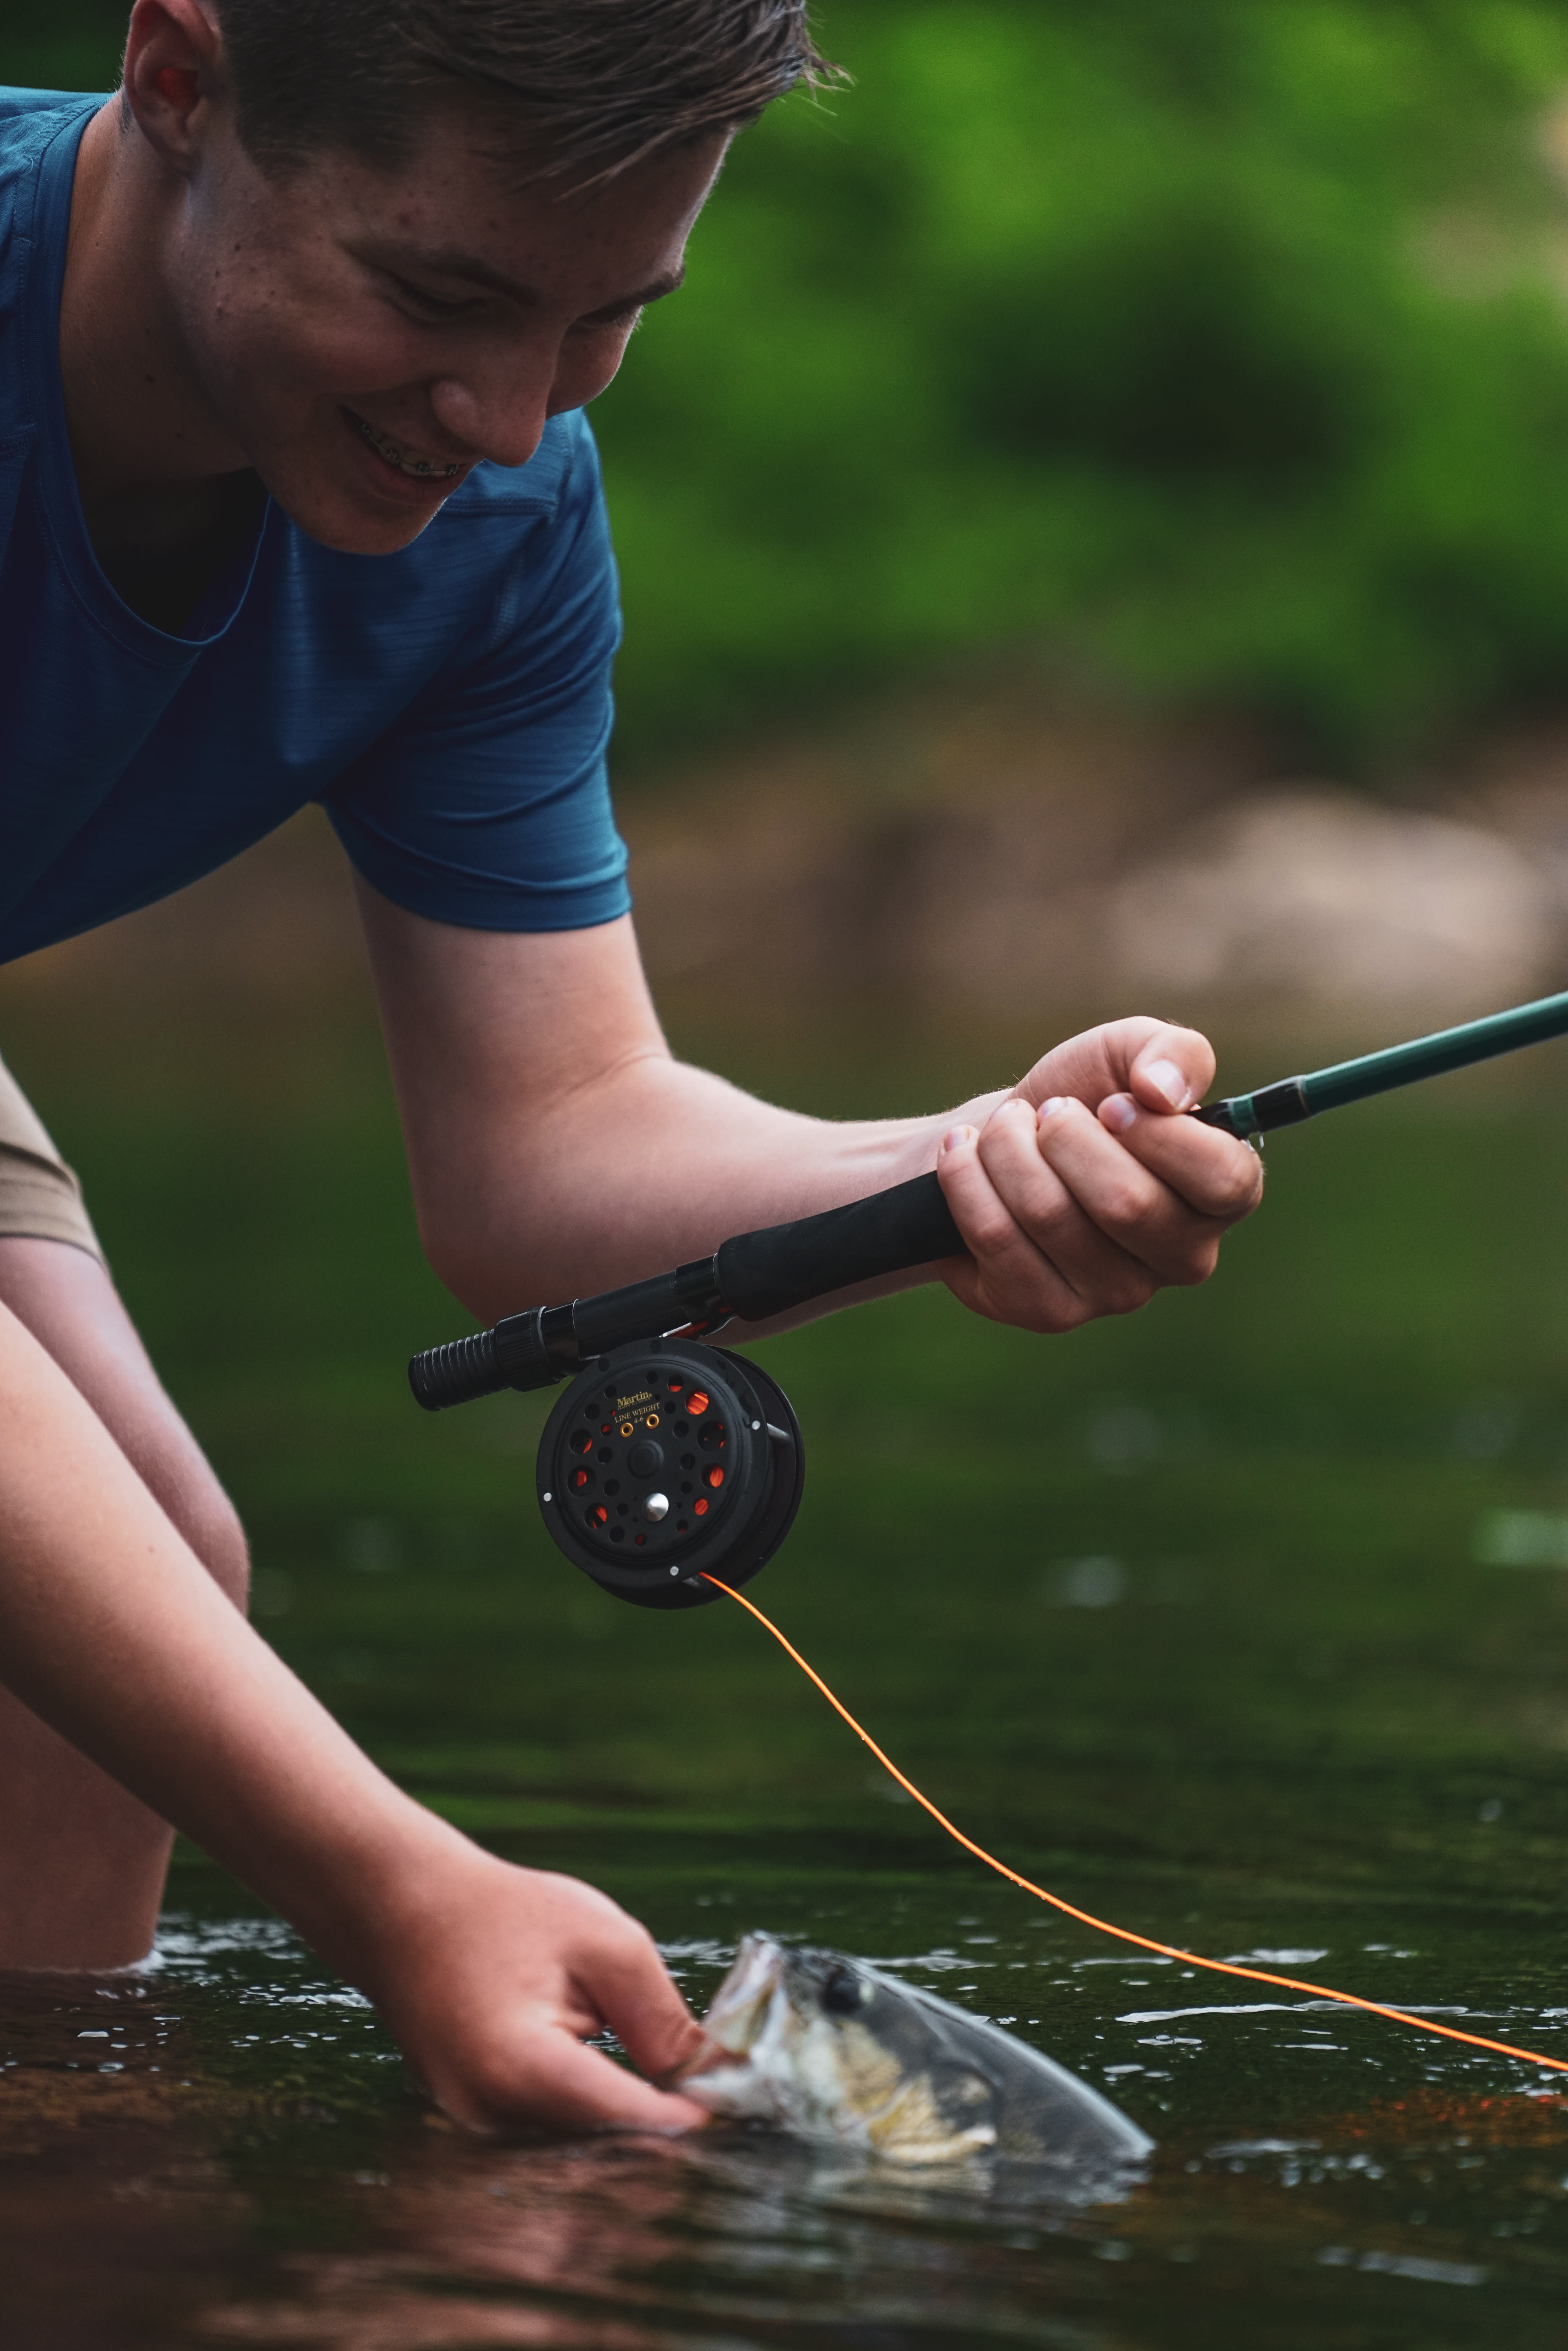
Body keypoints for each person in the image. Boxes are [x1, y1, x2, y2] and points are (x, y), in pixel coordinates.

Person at [0, 0, 1264, 2134]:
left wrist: (966, 1165)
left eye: (606, 321)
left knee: (122, 1626)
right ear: (181, 76)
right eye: (440, 297)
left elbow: (545, 1147)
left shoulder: (492, 524)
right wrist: (401, 1887)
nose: (504, 423)